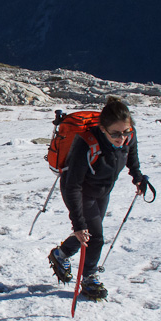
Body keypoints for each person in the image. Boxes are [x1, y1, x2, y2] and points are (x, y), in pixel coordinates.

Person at [48, 96, 149, 300]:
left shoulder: (129, 136)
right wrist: (77, 222)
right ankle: (89, 278)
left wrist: (137, 177)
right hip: (80, 192)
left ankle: (61, 254)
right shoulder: (86, 143)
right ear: (102, 128)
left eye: (126, 131)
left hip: (102, 190)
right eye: (115, 133)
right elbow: (72, 185)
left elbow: (132, 155)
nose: (122, 138)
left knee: (89, 233)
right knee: (94, 236)